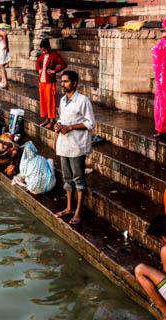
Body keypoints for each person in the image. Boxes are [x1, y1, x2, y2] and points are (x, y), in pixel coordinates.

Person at [54, 70, 95, 225]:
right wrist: (58, 125)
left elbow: (90, 123)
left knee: (78, 179)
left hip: (77, 146)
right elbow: (62, 118)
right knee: (67, 178)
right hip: (64, 145)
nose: (63, 84)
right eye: (62, 81)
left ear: (74, 83)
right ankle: (69, 207)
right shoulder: (63, 100)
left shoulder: (83, 101)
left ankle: (78, 211)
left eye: (66, 81)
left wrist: (70, 127)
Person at [36, 38, 67, 130]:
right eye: (42, 50)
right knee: (43, 101)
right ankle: (47, 119)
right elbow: (37, 62)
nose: (43, 51)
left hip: (50, 82)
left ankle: (52, 120)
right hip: (42, 81)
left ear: (49, 47)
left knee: (50, 101)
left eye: (45, 50)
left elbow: (63, 64)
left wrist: (54, 71)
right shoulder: (42, 54)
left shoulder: (54, 55)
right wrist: (39, 69)